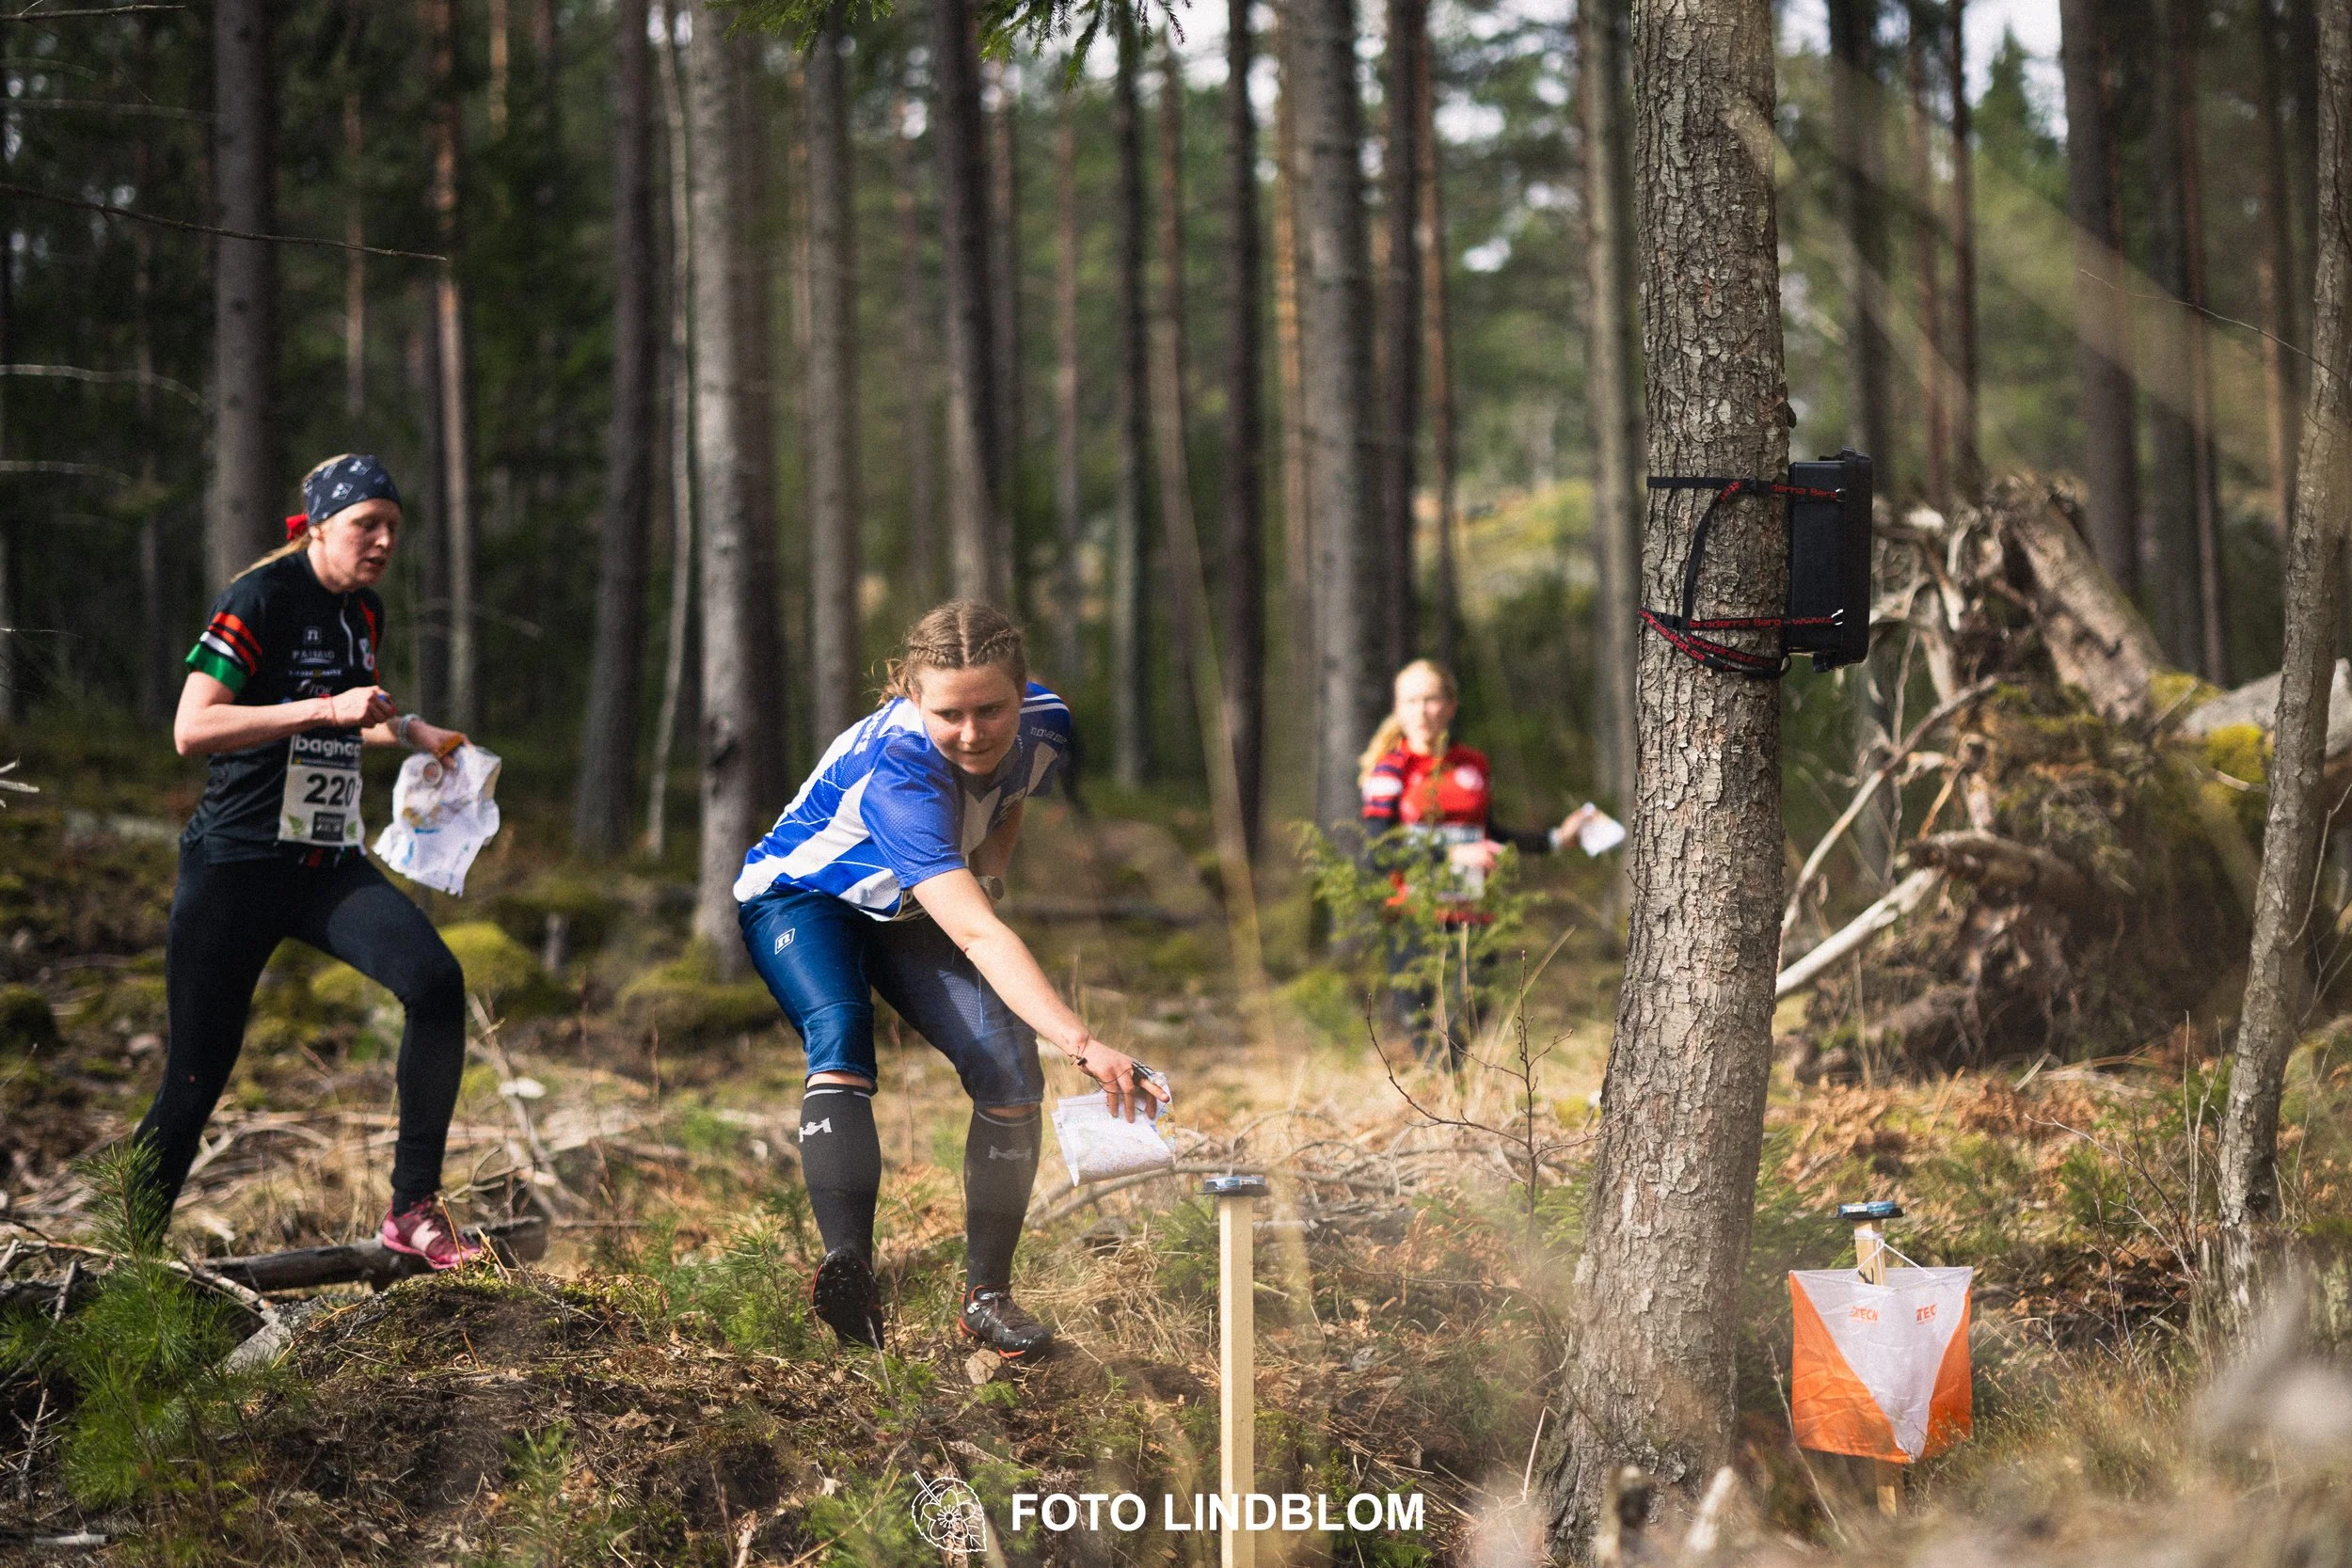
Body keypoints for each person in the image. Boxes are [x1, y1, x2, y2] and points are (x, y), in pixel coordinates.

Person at [736, 601, 1165, 1358]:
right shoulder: (899, 771)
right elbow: (976, 933)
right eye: (949, 714)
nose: (973, 733)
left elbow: (1008, 802)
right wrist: (1082, 1041)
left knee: (1007, 1069)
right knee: (841, 1033)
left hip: (906, 903)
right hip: (803, 897)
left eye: (991, 709)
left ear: (1023, 690)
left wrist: (989, 873)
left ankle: (986, 1298)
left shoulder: (1049, 722)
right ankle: (851, 1272)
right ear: (909, 696)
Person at [135, 454, 483, 1268]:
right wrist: (327, 706)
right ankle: (127, 1264)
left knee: (435, 983)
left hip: (325, 864)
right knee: (193, 1079)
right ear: (319, 524)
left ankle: (412, 1209)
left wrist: (409, 732)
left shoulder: (363, 612)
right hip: (236, 866)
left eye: (394, 526)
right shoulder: (259, 597)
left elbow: (345, 717)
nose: (385, 540)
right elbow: (194, 726)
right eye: (368, 524)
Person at [1358, 658, 1600, 1065]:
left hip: (1472, 911)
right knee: (1418, 1023)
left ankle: (1449, 1092)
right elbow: (1380, 852)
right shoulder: (1390, 770)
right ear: (1398, 708)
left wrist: (1558, 839)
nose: (1421, 710)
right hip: (1412, 915)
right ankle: (1441, 1100)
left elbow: (1489, 834)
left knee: (1471, 1012)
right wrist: (1449, 853)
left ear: (1451, 705)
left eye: (1431, 698)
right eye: (1411, 700)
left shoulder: (1472, 764)